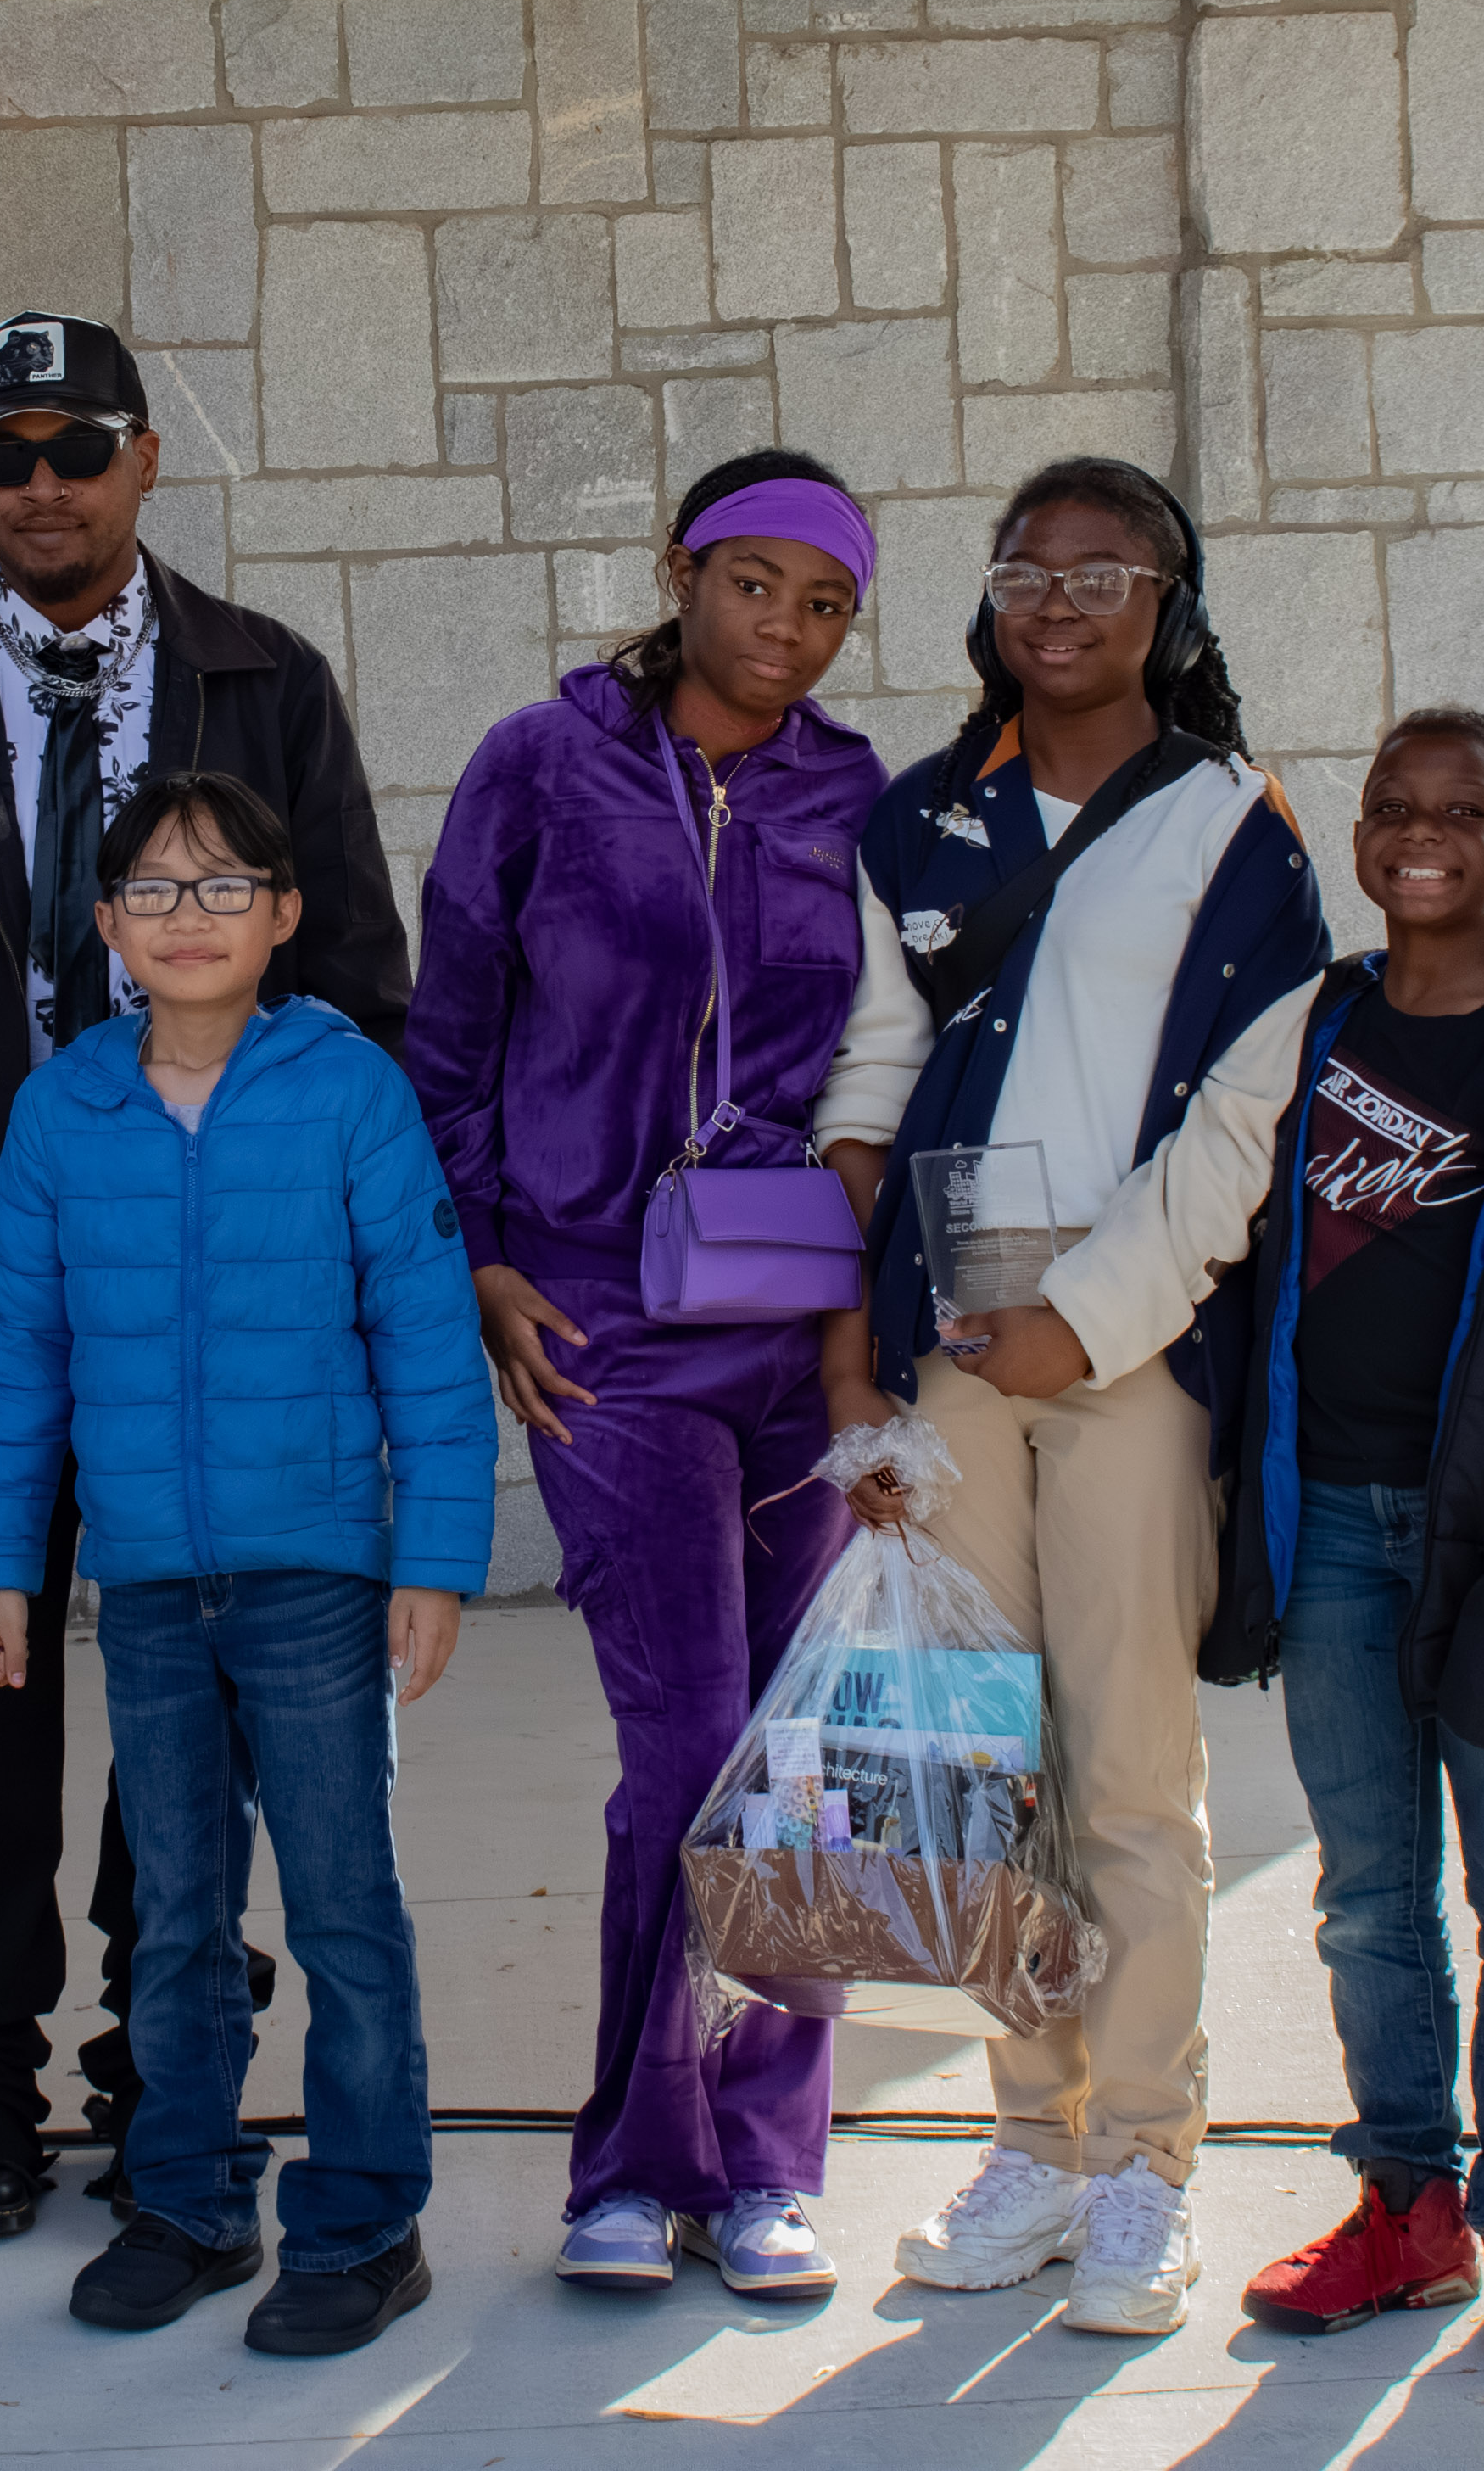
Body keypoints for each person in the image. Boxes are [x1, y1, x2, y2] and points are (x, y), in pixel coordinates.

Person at [0, 310, 410, 2239]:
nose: (40, 486)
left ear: (145, 457)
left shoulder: (262, 682)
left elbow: (353, 981)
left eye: (77, 447)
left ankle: (169, 2071)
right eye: (3, 454)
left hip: (210, 1312)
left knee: (189, 1696)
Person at [812, 452, 1331, 2339]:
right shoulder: (920, 818)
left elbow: (1241, 1123)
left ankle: (1144, 2166)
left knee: (1125, 1773)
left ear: (1168, 609)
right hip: (950, 1358)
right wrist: (860, 1335)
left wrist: (1087, 1319)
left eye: (1103, 572)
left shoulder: (1232, 823)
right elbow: (874, 1073)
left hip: (1129, 1359)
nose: (1058, 599)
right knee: (983, 1763)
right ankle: (1032, 2138)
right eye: (1028, 567)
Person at [401, 449, 886, 2301]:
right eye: (756, 585)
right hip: (604, 1314)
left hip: (802, 1322)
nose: (787, 630)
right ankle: (633, 2162)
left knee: (802, 1753)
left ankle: (769, 2163)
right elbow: (451, 1032)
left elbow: (891, 1060)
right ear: (682, 572)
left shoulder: (857, 794)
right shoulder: (543, 764)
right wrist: (484, 1257)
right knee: (686, 1742)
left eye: (826, 605)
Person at [0, 774, 492, 2356]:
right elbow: (20, 1363)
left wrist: (434, 1558)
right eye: (153, 888)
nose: (187, 916)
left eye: (223, 885)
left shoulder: (349, 1092)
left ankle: (366, 2220)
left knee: (341, 1903)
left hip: (315, 1572)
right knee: (177, 1911)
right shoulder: (62, 1111)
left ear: (283, 914)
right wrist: (2, 1569)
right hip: (147, 1583)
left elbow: (426, 1338)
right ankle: (187, 2200)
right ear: (106, 924)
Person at [1209, 707, 1484, 2377]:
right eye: (1395, 805)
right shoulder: (1311, 1030)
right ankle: (1408, 2205)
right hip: (1330, 1516)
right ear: (1359, 839)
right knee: (1369, 1896)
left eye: (1467, 811)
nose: (1423, 832)